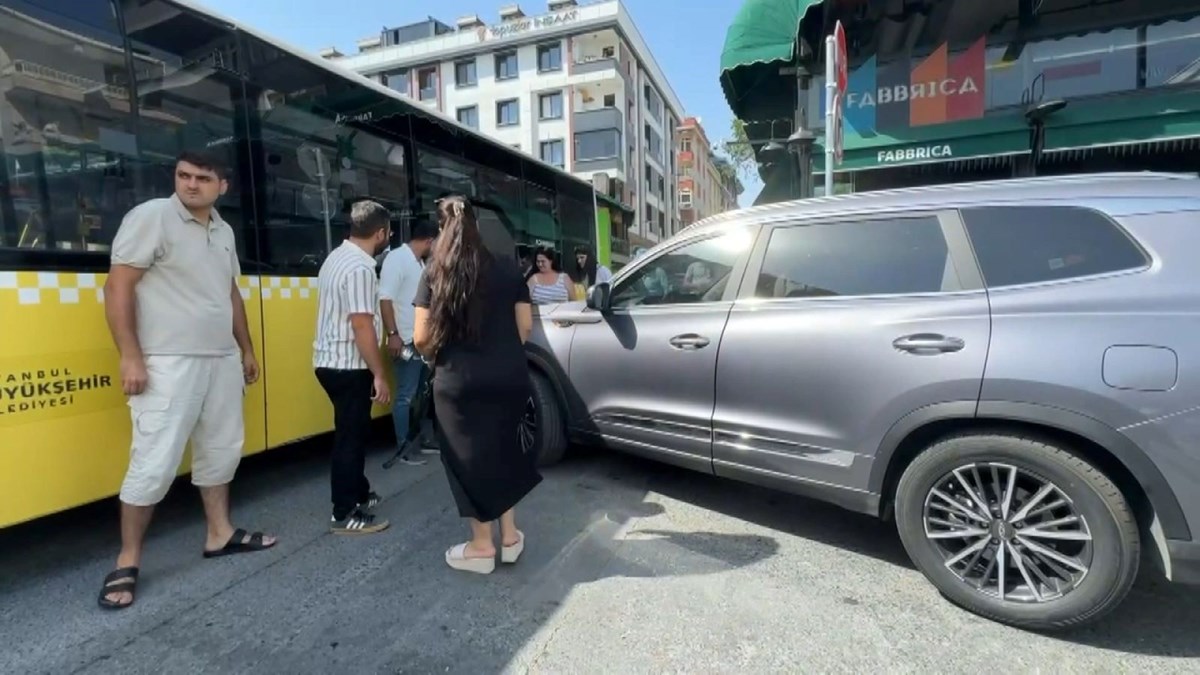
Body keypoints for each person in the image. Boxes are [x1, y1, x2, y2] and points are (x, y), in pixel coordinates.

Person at [98, 150, 277, 611]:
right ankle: (128, 558)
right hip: (167, 362)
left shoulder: (224, 230)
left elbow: (230, 294)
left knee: (221, 451)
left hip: (220, 360)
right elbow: (118, 286)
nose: (191, 185)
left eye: (202, 178)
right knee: (154, 461)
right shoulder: (152, 217)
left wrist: (247, 349)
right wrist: (131, 356)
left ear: (223, 186)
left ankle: (220, 533)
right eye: (183, 176)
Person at [413, 195, 542, 575]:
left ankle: (482, 546)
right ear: (477, 226)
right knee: (504, 451)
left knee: (470, 458)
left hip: (459, 382)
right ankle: (511, 537)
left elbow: (421, 338)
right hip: (509, 377)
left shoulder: (434, 272)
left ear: (442, 229)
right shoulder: (507, 268)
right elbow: (524, 328)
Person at [313, 200, 393, 535]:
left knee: (352, 431)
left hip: (328, 361)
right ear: (380, 233)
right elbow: (361, 325)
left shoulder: (336, 256)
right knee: (351, 439)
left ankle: (359, 491)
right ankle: (344, 513)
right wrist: (379, 373)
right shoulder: (361, 268)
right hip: (348, 365)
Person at [378, 220, 439, 466]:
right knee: (405, 394)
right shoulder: (397, 259)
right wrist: (392, 333)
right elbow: (385, 299)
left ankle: (418, 440)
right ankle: (403, 447)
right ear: (429, 241)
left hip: (421, 340)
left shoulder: (420, 263)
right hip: (404, 339)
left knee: (421, 394)